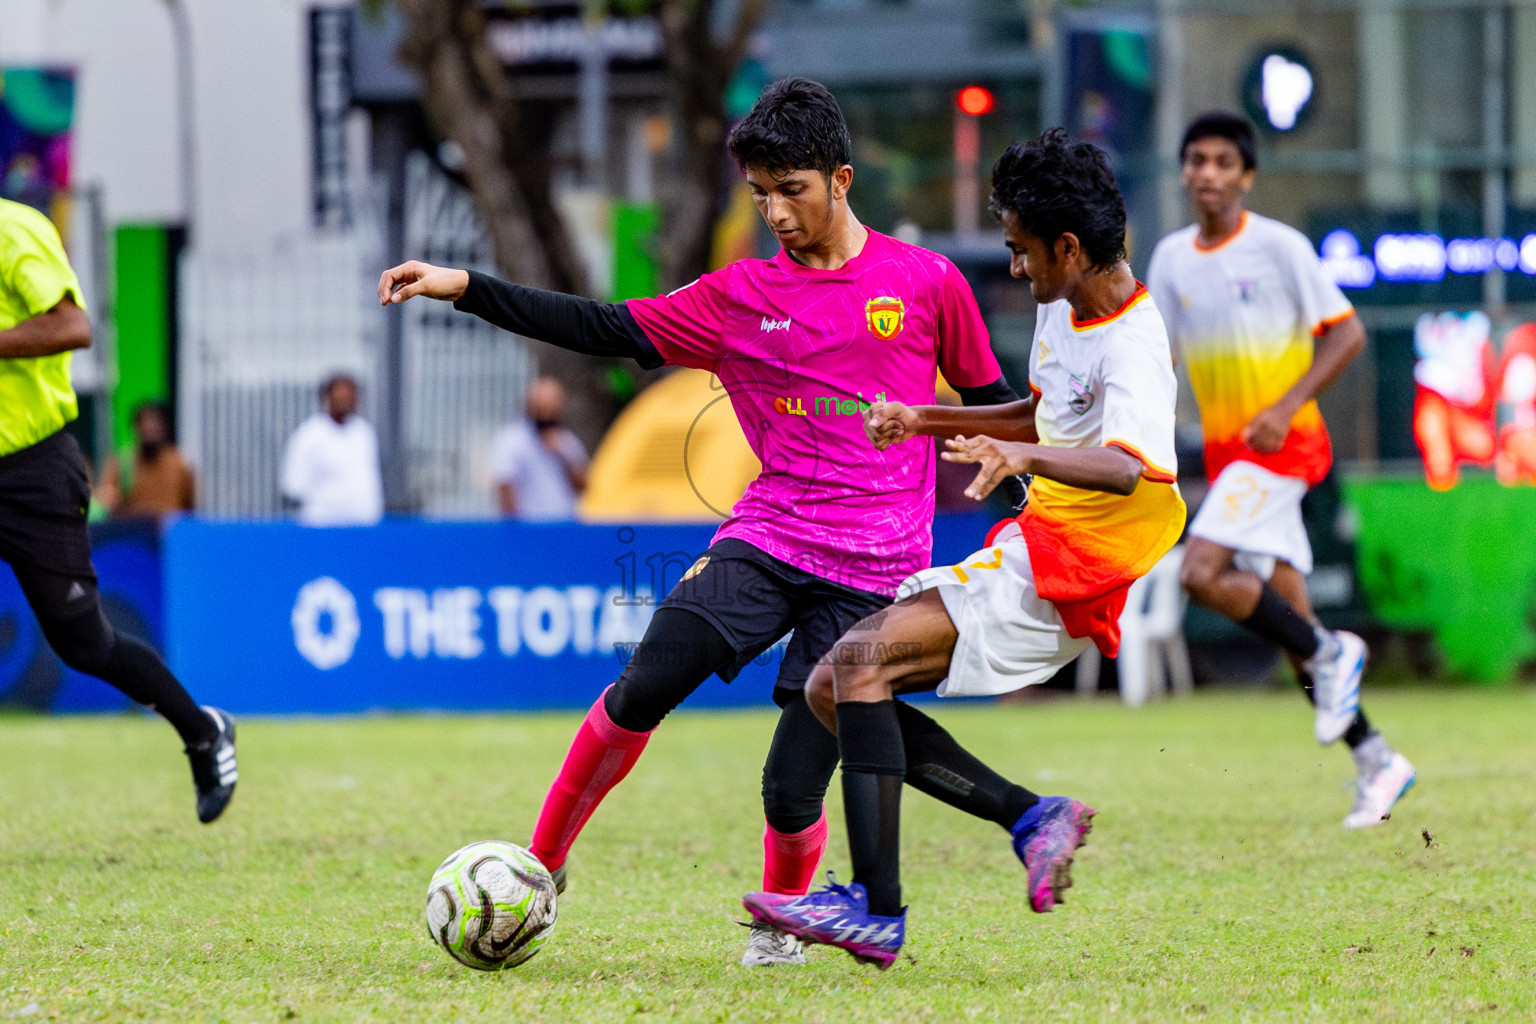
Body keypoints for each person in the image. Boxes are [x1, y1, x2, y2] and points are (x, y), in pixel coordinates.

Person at [379, 77, 1025, 968]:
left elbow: (994, 407)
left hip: (877, 569)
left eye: (790, 189)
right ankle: (540, 866)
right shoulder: (738, 296)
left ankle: (782, 929)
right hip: (768, 538)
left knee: (791, 788)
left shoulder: (928, 284)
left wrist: (1038, 500)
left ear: (841, 179)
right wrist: (466, 288)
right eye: (760, 193)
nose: (775, 211)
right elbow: (604, 326)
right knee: (646, 679)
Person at [742, 128, 1187, 969]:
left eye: (1022, 252)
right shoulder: (1069, 306)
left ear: (1068, 246)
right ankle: (1028, 816)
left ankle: (878, 910)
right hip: (1037, 545)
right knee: (838, 684)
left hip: (1071, 566)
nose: (1015, 269)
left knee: (856, 666)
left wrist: (1024, 459)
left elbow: (1127, 469)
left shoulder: (1132, 341)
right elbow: (1042, 411)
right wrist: (929, 416)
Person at [1145, 112, 1415, 829]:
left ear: (1246, 176)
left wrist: (1287, 401)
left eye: (1222, 162)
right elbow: (1159, 360)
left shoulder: (1280, 246)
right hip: (1234, 458)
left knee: (1200, 572)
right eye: (1196, 159)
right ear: (1183, 172)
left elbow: (1349, 332)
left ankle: (1335, 650)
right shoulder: (1171, 259)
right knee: (1290, 622)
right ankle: (1377, 760)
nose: (1208, 172)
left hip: (1284, 446)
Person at [0, 196, 236, 822]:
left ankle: (202, 731)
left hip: (28, 471)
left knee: (84, 642)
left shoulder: (15, 229)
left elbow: (73, 326)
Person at [280, 373, 384, 526]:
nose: (345, 402)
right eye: (340, 397)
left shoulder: (364, 432)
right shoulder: (310, 435)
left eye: (350, 397)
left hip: (364, 526)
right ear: (327, 398)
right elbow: (293, 485)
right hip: (323, 527)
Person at [490, 376, 589, 520]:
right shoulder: (513, 440)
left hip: (565, 527)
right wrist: (515, 528)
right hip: (530, 529)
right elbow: (505, 484)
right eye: (542, 404)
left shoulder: (567, 441)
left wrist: (562, 456)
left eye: (553, 403)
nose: (547, 409)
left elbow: (584, 487)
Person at [98, 401, 197, 518]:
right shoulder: (122, 463)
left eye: (155, 428)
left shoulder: (179, 464)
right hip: (134, 532)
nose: (150, 431)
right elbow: (105, 500)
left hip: (169, 532)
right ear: (136, 429)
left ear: (164, 429)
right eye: (146, 428)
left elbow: (190, 508)